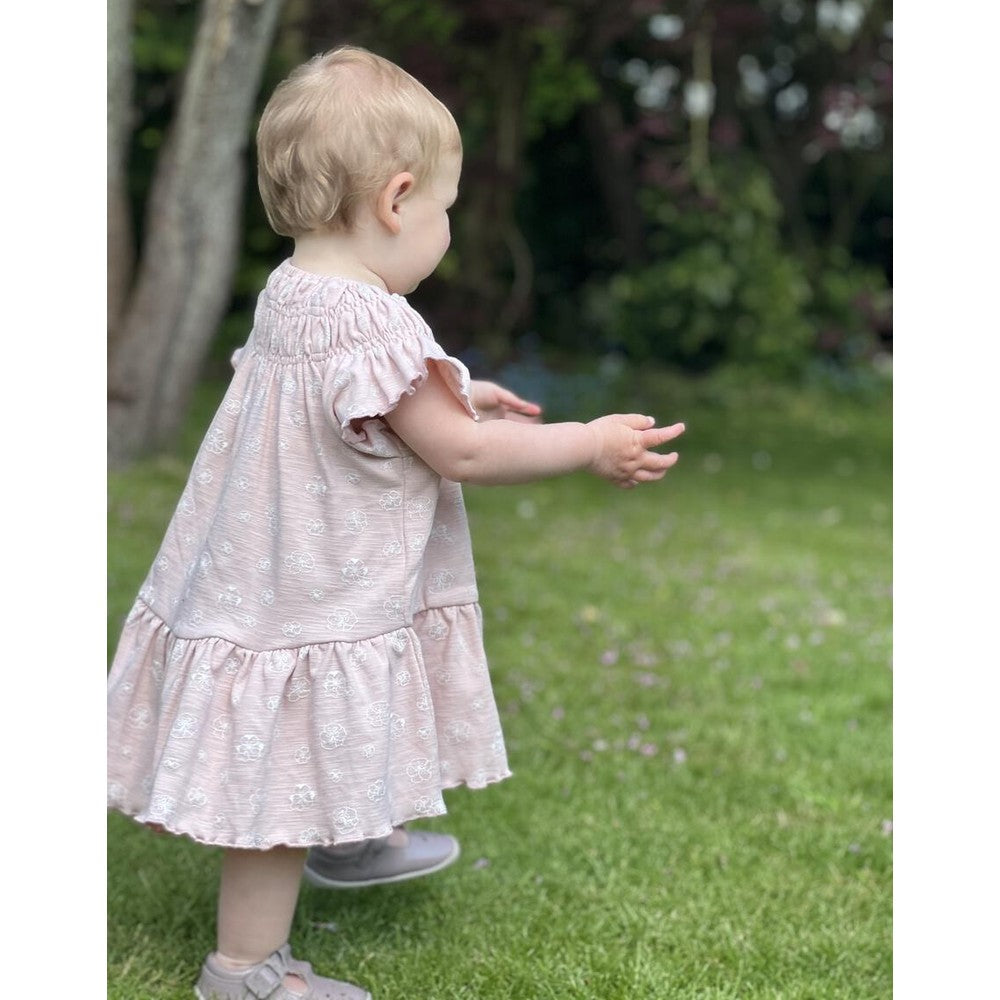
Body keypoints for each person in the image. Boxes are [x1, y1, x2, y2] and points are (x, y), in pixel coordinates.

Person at [107, 45, 685, 1000]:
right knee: (283, 768)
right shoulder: (373, 322)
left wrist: (453, 391)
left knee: (320, 716)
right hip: (310, 591)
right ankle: (244, 972)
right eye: (445, 212)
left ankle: (354, 832)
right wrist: (585, 441)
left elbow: (376, 406)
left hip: (272, 566)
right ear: (397, 199)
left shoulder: (296, 291)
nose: (444, 230)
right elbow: (457, 452)